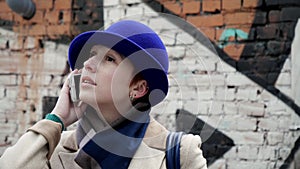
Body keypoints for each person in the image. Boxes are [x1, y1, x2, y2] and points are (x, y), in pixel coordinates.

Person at [0, 20, 207, 169]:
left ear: (138, 89)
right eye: (92, 55)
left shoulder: (179, 154)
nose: (88, 64)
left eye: (109, 59)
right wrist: (58, 118)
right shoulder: (56, 148)